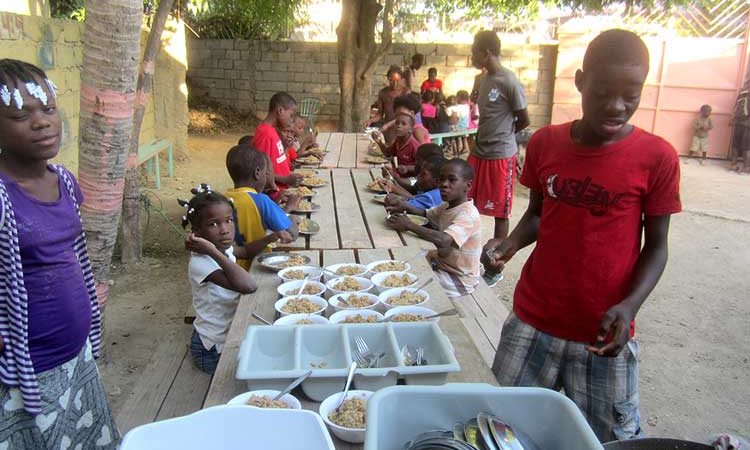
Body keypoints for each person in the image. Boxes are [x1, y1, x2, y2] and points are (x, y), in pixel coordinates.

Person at [482, 29, 682, 442]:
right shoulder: (546, 143)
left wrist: (629, 307)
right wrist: (509, 245)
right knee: (497, 429)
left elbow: (657, 247)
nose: (616, 105)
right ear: (580, 81)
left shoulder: (657, 158)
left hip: (604, 335)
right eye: (603, 91)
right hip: (532, 320)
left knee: (607, 441)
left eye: (631, 93)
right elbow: (538, 214)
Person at [0, 59, 120, 448]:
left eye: (48, 109)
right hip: (27, 372)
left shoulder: (64, 181)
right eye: (21, 115)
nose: (41, 122)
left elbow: (72, 254)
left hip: (76, 357)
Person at [469, 30, 529, 287]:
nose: (472, 56)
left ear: (487, 52)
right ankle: (464, 256)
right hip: (478, 152)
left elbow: (524, 120)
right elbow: (478, 107)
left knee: (500, 212)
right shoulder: (480, 80)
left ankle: (494, 268)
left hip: (500, 156)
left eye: (474, 51)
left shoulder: (509, 81)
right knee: (465, 201)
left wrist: (504, 137)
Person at [181, 185, 257, 374]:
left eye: (229, 220)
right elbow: (248, 286)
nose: (224, 230)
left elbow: (246, 251)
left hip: (230, 334)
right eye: (213, 224)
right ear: (197, 233)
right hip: (211, 348)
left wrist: (272, 237)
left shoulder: (222, 250)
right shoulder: (202, 263)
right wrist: (212, 251)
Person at [385, 159, 482, 297]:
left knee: (403, 283)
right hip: (443, 264)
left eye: (452, 180)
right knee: (401, 261)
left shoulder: (467, 215)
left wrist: (409, 225)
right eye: (441, 179)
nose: (444, 184)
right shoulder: (447, 205)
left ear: (468, 185)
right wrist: (404, 205)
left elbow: (444, 240)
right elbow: (425, 214)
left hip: (459, 279)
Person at [224, 145, 299, 269]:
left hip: (231, 266)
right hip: (258, 264)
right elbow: (292, 233)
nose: (266, 177)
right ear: (257, 173)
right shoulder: (260, 200)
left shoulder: (223, 199)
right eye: (266, 173)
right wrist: (292, 219)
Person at [252, 92, 304, 199]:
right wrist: (285, 179)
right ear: (280, 111)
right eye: (291, 115)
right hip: (274, 197)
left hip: (283, 192)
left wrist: (285, 148)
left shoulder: (273, 131)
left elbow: (276, 161)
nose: (291, 120)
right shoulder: (265, 134)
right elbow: (261, 172)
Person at [367, 65, 410, 133]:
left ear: (402, 79)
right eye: (391, 81)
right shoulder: (383, 93)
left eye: (397, 81)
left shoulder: (406, 93)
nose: (395, 84)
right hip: (388, 130)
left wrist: (388, 125)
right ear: (388, 79)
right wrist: (370, 120)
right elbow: (380, 114)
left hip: (402, 129)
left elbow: (405, 115)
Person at [730, 90, 750, 172]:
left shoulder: (743, 93)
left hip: (738, 123)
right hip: (748, 125)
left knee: (735, 145)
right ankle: (746, 167)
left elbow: (735, 109)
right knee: (746, 147)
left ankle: (733, 165)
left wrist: (733, 119)